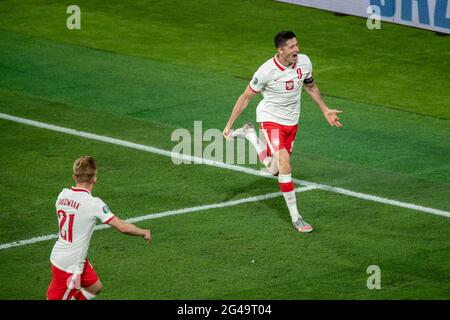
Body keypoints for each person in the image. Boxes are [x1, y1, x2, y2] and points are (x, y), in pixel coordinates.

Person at [223, 31, 343, 233]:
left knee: (275, 169)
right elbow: (245, 97)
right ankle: (297, 218)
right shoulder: (266, 71)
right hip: (271, 120)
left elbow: (311, 86)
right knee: (286, 166)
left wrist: (325, 109)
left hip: (291, 123)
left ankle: (249, 134)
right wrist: (228, 124)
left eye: (297, 45)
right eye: (292, 47)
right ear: (280, 50)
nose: (297, 50)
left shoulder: (304, 63)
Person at [47, 156, 152, 300]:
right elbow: (123, 227)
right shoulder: (93, 204)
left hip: (65, 256)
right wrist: (143, 232)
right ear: (95, 178)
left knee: (95, 287)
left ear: (74, 176)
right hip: (69, 266)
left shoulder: (62, 194)